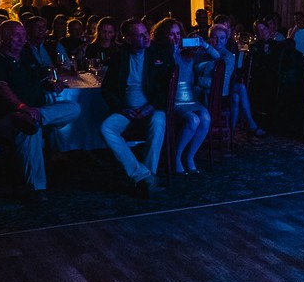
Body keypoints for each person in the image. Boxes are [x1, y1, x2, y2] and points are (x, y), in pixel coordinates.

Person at [0, 19, 79, 202]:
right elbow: (1, 88)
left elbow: (40, 77)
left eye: (23, 35)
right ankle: (36, 188)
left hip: (33, 111)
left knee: (73, 107)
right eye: (16, 35)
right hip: (4, 117)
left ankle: (33, 118)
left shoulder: (25, 56)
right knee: (30, 130)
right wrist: (22, 107)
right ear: (3, 37)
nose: (21, 39)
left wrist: (51, 84)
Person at [97, 18, 171, 194]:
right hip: (126, 110)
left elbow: (167, 88)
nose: (146, 37)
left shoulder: (159, 53)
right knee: (106, 128)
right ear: (128, 39)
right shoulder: (120, 56)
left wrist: (151, 106)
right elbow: (107, 89)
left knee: (159, 120)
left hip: (151, 108)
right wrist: (122, 108)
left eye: (146, 33)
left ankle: (149, 173)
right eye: (139, 35)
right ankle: (144, 175)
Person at [153, 16, 212, 174]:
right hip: (173, 100)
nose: (176, 37)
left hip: (190, 98)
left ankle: (190, 156)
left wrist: (204, 44)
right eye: (171, 34)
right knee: (193, 120)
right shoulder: (160, 53)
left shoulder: (188, 52)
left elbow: (216, 57)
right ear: (164, 36)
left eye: (178, 34)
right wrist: (171, 52)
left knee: (206, 118)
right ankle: (177, 156)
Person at [200, 19, 262, 139]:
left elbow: (221, 84)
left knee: (237, 93)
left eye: (222, 38)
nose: (218, 41)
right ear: (210, 38)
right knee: (237, 94)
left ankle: (231, 133)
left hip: (218, 94)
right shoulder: (203, 52)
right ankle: (245, 127)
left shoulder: (228, 56)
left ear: (226, 39)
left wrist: (199, 80)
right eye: (215, 38)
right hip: (205, 94)